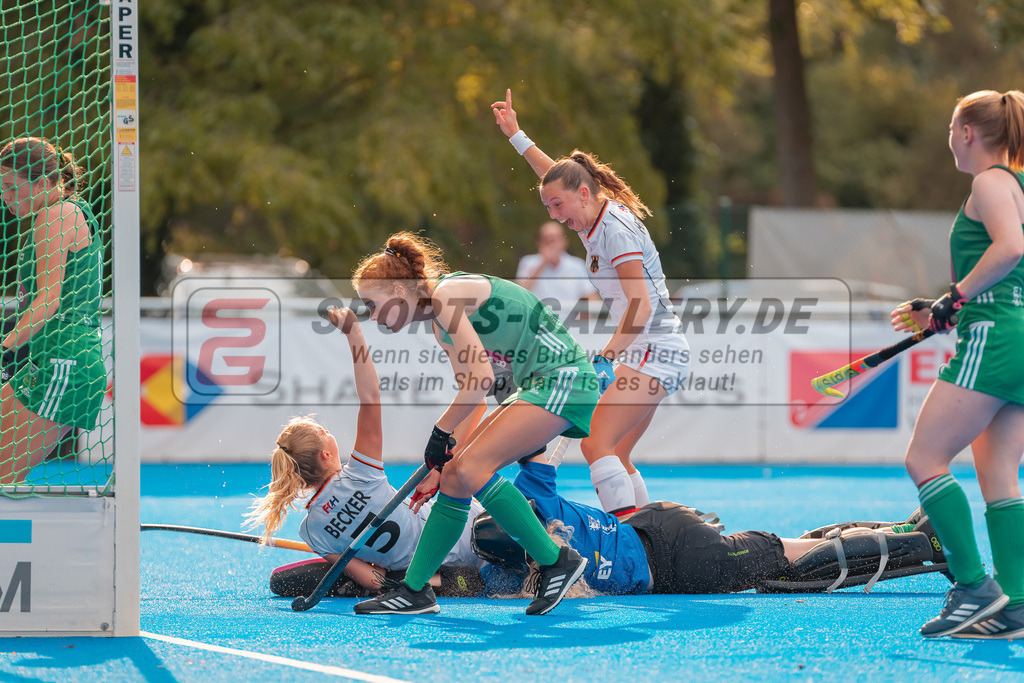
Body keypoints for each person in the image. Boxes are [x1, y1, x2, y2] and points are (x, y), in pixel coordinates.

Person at [348, 232, 600, 615]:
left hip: (563, 379)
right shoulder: (439, 324)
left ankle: (555, 560)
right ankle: (415, 590)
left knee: (472, 467)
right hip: (538, 385)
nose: (372, 314)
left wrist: (440, 432)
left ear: (399, 289)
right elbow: (478, 400)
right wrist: (440, 465)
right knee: (455, 476)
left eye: (372, 303)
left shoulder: (448, 296)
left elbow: (478, 379)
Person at [492, 89, 690, 518]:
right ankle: (647, 534)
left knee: (595, 443)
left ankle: (629, 540)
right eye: (548, 207)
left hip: (654, 348)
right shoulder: (590, 213)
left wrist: (606, 358)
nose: (554, 216)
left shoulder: (613, 230)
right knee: (616, 450)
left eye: (557, 206)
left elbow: (640, 305)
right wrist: (516, 135)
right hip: (650, 349)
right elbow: (555, 177)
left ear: (583, 194)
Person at [890, 89, 1024, 640]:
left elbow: (1011, 248)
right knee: (998, 475)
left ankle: (974, 588)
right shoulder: (1015, 184)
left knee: (924, 457)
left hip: (994, 338)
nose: (948, 137)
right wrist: (945, 311)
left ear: (968, 132)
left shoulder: (990, 181)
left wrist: (955, 299)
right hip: (1012, 334)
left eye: (951, 127)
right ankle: (1016, 605)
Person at [244, 306, 485, 590]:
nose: (329, 432)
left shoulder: (311, 531)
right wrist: (354, 333)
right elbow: (370, 396)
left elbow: (374, 581)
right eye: (324, 432)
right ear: (325, 454)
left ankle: (441, 583)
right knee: (475, 413)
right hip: (469, 531)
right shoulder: (360, 473)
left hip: (440, 568)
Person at [474, 455, 947, 598]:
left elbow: (461, 582)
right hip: (661, 523)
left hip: (683, 566)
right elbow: (535, 452)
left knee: (789, 562)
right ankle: (905, 529)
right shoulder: (538, 501)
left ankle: (921, 543)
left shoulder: (536, 583)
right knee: (788, 545)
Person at [0, 137, 105, 485]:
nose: (6, 197)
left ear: (45, 182)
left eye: (13, 188)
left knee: (3, 480)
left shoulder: (56, 215)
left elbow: (49, 301)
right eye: (3, 188)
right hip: (53, 357)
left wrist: (5, 349)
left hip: (66, 363)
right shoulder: (63, 211)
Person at [516, 220, 596, 318]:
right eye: (547, 240)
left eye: (555, 239)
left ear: (564, 241)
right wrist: (543, 263)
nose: (551, 244)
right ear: (540, 242)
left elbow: (591, 298)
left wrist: (580, 320)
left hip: (569, 327)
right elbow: (520, 294)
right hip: (536, 324)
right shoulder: (528, 262)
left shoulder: (577, 265)